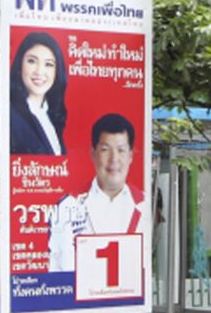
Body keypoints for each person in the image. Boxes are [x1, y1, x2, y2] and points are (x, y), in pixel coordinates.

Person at [48, 113, 145, 272]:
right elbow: (56, 268)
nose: (114, 159)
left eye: (121, 150)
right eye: (105, 150)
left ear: (131, 155)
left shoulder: (145, 206)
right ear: (93, 154)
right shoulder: (68, 206)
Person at [10, 32, 68, 155]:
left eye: (48, 64)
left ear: (56, 72)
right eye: (32, 61)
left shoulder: (51, 117)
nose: (39, 71)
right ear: (20, 64)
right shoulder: (11, 117)